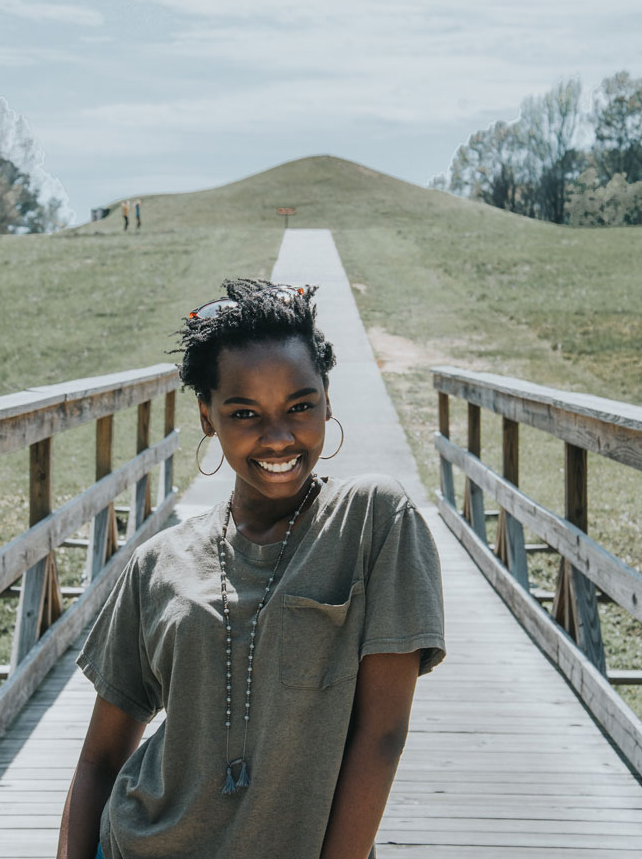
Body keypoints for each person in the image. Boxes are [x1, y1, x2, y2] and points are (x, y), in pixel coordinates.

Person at [57, 279, 445, 859]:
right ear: (208, 417)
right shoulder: (156, 563)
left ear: (327, 401)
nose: (279, 436)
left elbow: (382, 736)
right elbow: (100, 760)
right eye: (245, 413)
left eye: (300, 405)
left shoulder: (373, 519)